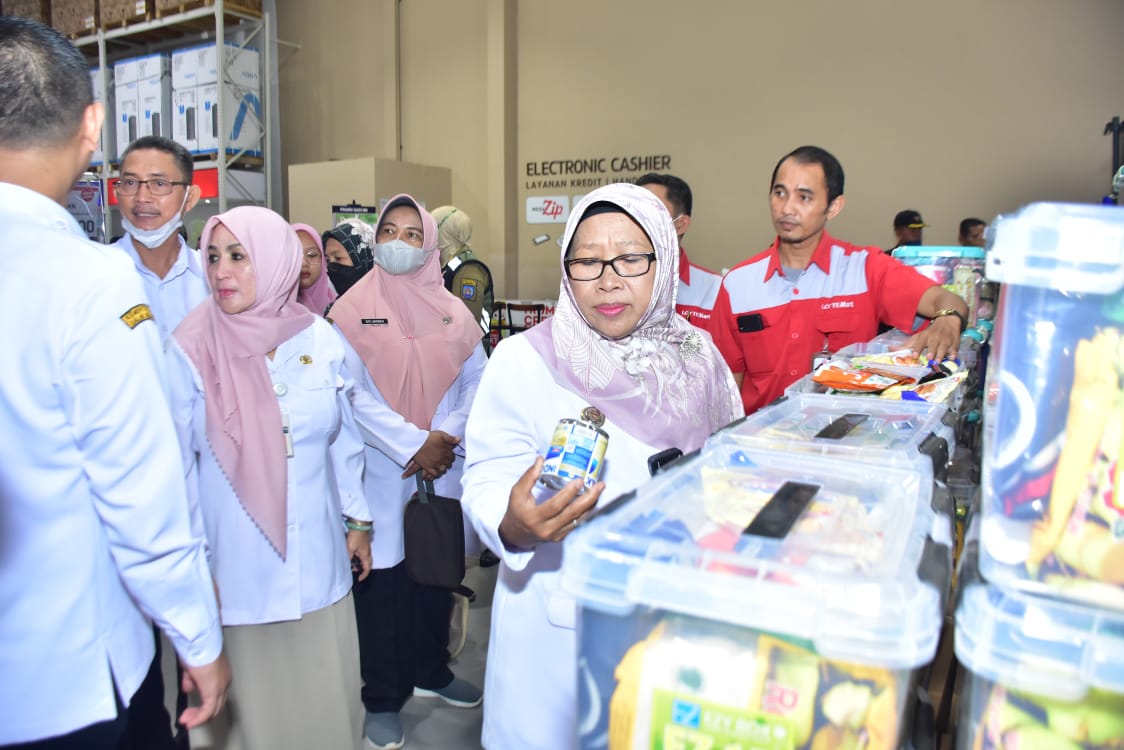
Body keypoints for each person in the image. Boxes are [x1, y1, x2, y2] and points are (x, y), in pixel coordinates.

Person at [0, 16, 230, 749]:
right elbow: (138, 495)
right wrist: (198, 638)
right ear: (92, 126)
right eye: (129, 182)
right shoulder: (91, 281)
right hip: (71, 676)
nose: (140, 197)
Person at [460, 182, 743, 749]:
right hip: (560, 624)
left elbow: (728, 470)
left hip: (672, 614)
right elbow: (489, 473)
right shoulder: (525, 360)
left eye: (631, 259)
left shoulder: (700, 357)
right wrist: (513, 525)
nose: (608, 279)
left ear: (664, 261)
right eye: (586, 262)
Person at [167, 206, 374, 750]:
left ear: (276, 261)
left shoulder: (320, 340)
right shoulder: (189, 348)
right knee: (249, 722)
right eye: (212, 257)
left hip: (316, 561)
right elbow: (174, 470)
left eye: (239, 256)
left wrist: (358, 519)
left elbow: (344, 439)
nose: (221, 272)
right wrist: (187, 562)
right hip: (232, 568)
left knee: (320, 709)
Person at [331, 194, 487, 750]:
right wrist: (414, 443)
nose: (398, 243)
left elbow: (476, 380)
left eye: (410, 233)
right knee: (386, 584)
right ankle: (383, 695)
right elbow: (349, 393)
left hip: (441, 462)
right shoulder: (350, 311)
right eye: (388, 232)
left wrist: (446, 435)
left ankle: (432, 668)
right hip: (382, 469)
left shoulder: (454, 309)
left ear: (429, 244)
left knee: (436, 571)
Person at [708, 145, 970, 415]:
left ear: (833, 207)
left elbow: (946, 300)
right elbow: (725, 391)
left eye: (804, 197)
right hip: (760, 444)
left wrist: (947, 319)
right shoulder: (738, 284)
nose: (787, 208)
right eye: (779, 193)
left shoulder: (865, 269)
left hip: (841, 442)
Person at [112, 135, 206, 342]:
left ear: (190, 198)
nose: (142, 197)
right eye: (130, 182)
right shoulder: (94, 276)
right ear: (117, 192)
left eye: (159, 183)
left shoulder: (213, 281)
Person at [636, 172, 723, 327]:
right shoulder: (610, 284)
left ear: (681, 224)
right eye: (635, 212)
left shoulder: (715, 290)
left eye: (651, 213)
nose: (640, 222)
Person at [432, 205, 495, 354]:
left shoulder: (468, 271)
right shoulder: (450, 266)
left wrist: (430, 322)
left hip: (467, 360)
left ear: (444, 231)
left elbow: (464, 321)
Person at [292, 221, 338, 315]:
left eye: (311, 255)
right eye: (295, 255)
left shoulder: (338, 306)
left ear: (323, 259)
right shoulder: (276, 310)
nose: (303, 263)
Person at [323, 217, 377, 297]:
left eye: (338, 258)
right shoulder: (334, 307)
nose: (331, 266)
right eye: (327, 260)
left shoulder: (384, 306)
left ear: (361, 258)